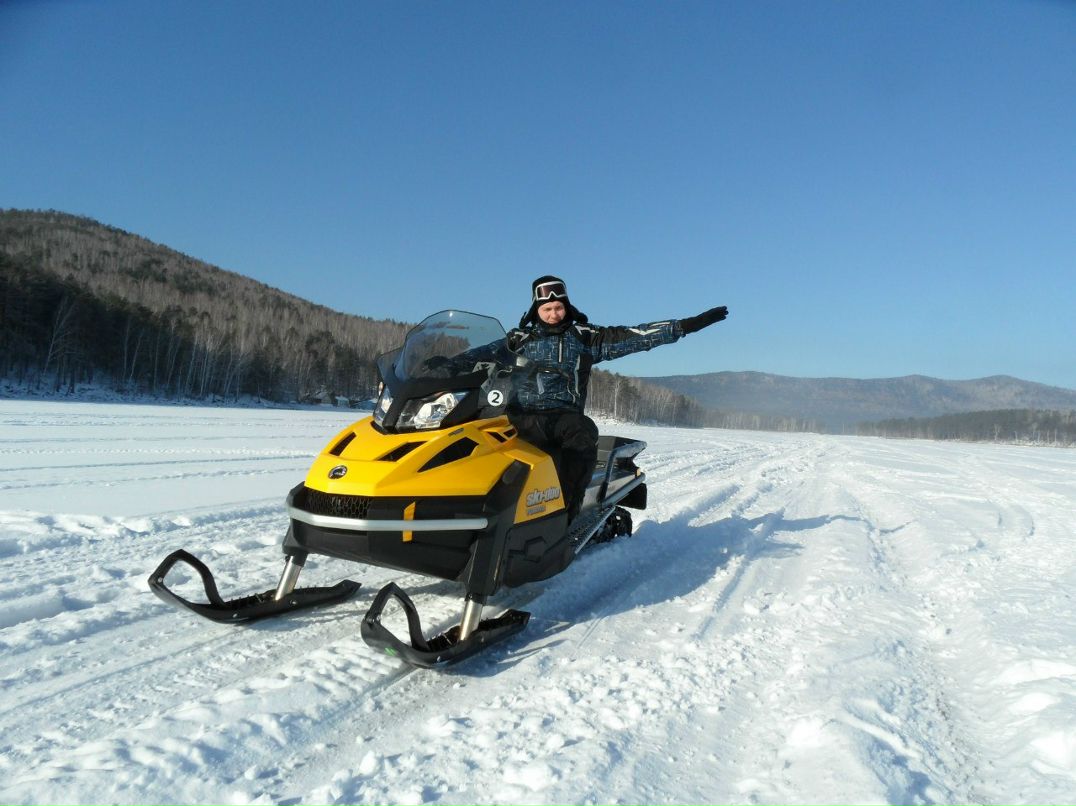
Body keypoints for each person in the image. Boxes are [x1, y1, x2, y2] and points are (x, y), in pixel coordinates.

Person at [505, 275, 728, 522]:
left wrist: (685, 326)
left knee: (582, 431)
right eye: (547, 309)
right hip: (520, 417)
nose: (553, 314)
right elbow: (481, 357)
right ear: (536, 310)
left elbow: (636, 336)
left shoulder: (584, 337)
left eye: (558, 308)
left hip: (562, 419)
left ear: (566, 306)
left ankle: (564, 514)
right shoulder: (518, 339)